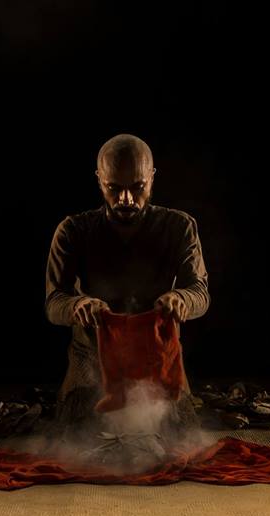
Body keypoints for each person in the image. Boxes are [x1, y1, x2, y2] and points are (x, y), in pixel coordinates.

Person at [44, 134, 210, 442]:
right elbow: (54, 302)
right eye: (114, 188)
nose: (126, 199)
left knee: (181, 443)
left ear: (152, 177)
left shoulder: (180, 227)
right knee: (75, 444)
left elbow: (200, 292)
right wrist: (76, 305)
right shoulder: (73, 231)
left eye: (137, 186)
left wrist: (182, 298)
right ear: (99, 180)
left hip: (160, 360)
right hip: (91, 361)